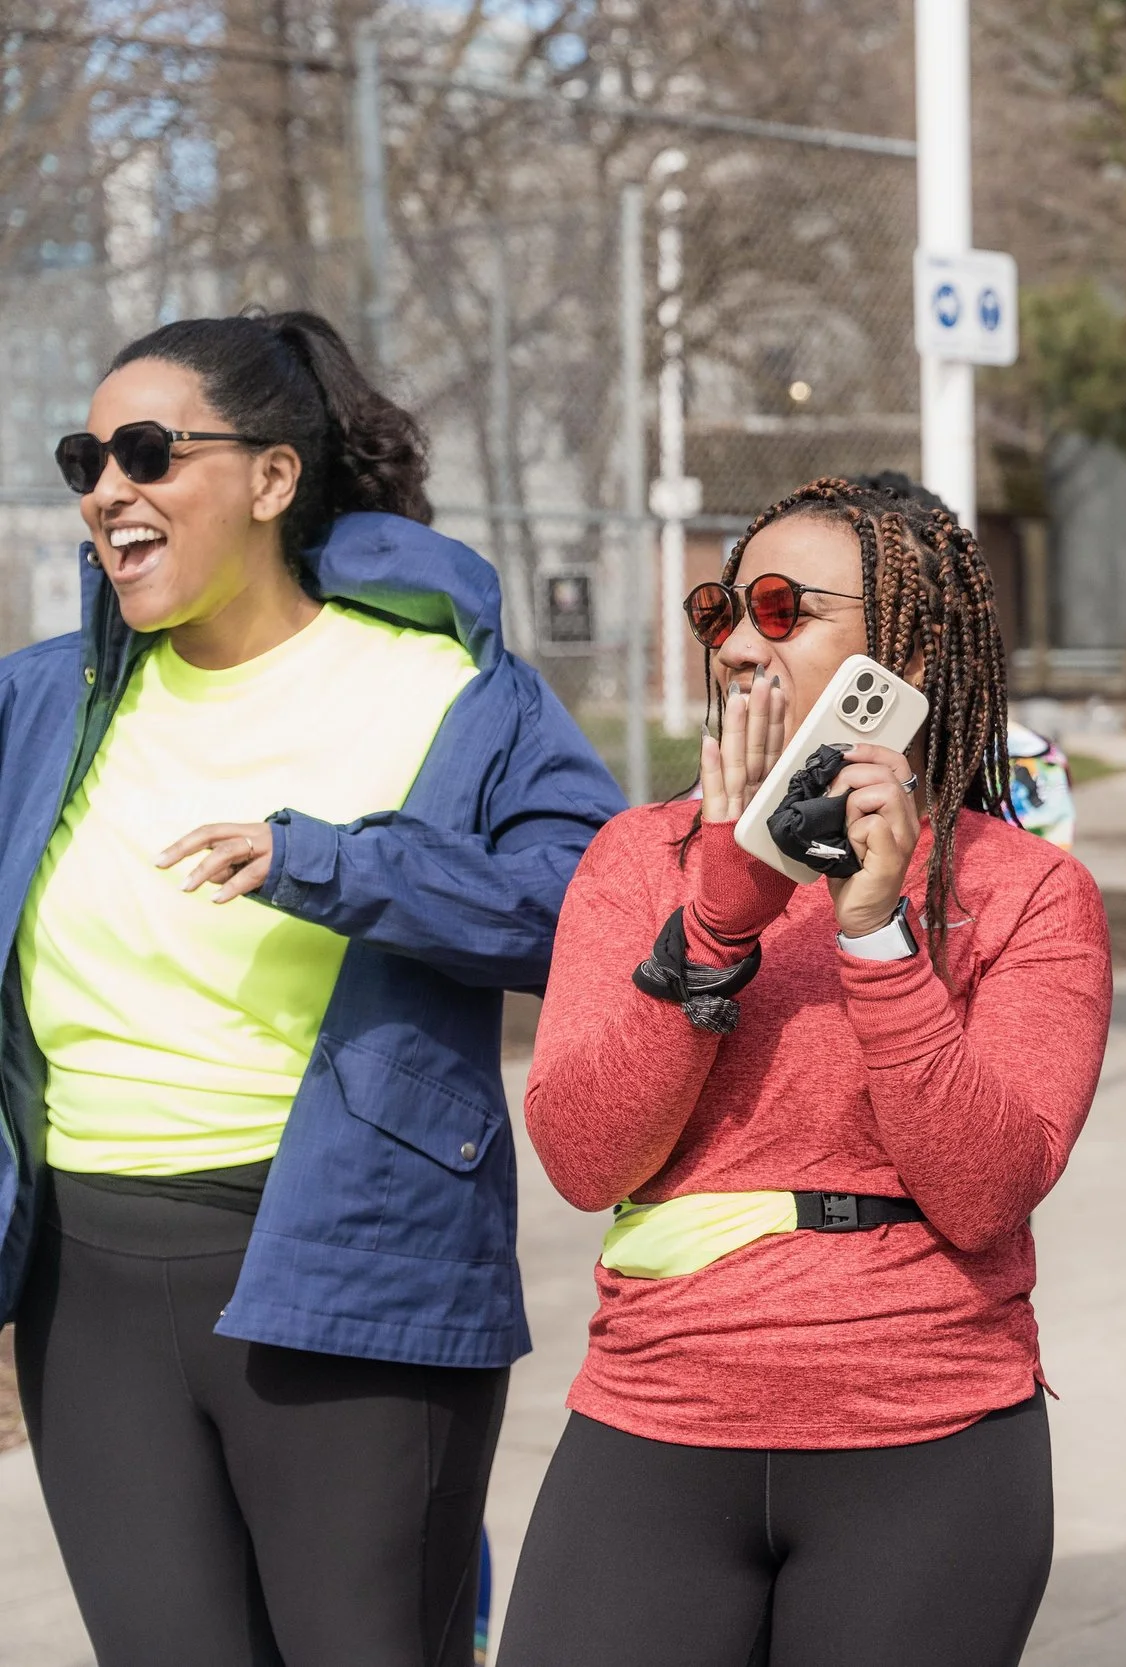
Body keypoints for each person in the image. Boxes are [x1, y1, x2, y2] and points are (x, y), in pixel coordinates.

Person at [0, 311, 620, 1667]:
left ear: (274, 479)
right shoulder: (44, 703)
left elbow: (593, 906)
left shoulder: (448, 687)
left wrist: (325, 864)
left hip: (350, 1253)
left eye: (151, 451)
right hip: (85, 1282)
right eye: (86, 458)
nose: (111, 489)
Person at [501, 475, 1113, 1667]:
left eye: (782, 609)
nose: (735, 641)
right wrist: (719, 918)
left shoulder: (1026, 890)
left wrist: (880, 937)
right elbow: (584, 1157)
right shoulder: (638, 859)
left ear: (904, 647)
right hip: (658, 1416)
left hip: (929, 1440)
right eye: (721, 607)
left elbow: (984, 1188)